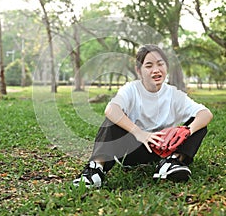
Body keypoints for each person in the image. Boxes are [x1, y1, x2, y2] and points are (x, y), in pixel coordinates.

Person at [73, 44, 213, 188]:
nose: (156, 70)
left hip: (163, 148)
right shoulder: (131, 89)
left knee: (197, 125)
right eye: (149, 66)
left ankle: (172, 162)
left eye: (160, 64)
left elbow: (205, 113)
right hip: (132, 149)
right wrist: (140, 133)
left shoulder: (174, 94)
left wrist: (187, 131)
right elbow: (111, 109)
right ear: (139, 70)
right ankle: (95, 171)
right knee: (112, 120)